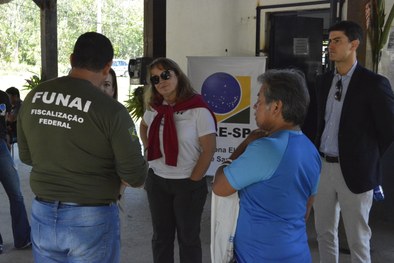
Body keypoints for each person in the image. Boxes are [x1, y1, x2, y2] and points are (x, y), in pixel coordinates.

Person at [17, 32, 148, 263]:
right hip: (90, 216)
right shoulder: (111, 111)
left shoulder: (35, 97)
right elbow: (135, 175)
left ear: (71, 59)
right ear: (107, 66)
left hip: (43, 213)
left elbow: (27, 156)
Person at [212, 69, 321, 263]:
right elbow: (306, 210)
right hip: (298, 253)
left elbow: (219, 186)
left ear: (276, 106)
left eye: (260, 100)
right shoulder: (311, 150)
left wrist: (244, 145)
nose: (255, 106)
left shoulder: (266, 149)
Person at [313, 20, 394, 263]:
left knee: (358, 237)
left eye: (337, 41)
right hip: (323, 166)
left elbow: (389, 129)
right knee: (324, 232)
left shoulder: (373, 84)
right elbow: (318, 122)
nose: (331, 46)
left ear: (354, 44)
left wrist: (365, 155)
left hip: (357, 172)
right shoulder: (324, 81)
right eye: (330, 41)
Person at [140, 57, 217, 263]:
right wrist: (149, 147)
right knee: (161, 238)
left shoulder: (197, 108)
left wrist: (193, 179)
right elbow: (144, 126)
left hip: (187, 183)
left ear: (177, 75)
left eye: (165, 75)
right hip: (157, 181)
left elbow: (209, 149)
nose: (161, 81)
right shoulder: (155, 107)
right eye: (155, 79)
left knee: (188, 239)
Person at [0, 90, 31, 254]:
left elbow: (5, 121)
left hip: (1, 147)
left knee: (16, 194)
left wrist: (6, 138)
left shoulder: (2, 96)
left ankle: (23, 238)